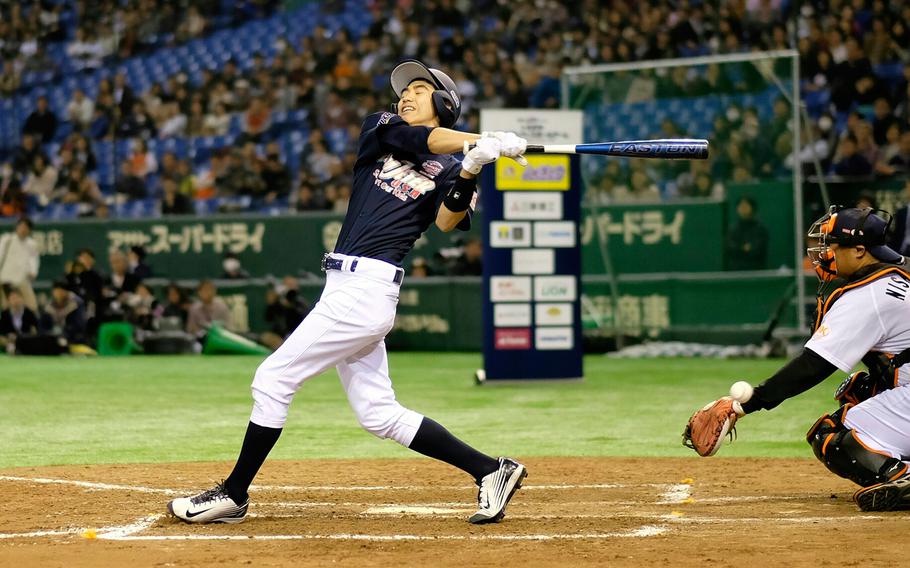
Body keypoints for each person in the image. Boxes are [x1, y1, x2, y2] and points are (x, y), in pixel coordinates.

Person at [168, 60, 529, 526]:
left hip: (368, 290)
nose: (407, 95)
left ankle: (234, 495)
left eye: (420, 89)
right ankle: (490, 470)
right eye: (405, 89)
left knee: (273, 380)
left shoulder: (452, 163)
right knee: (379, 414)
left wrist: (472, 169)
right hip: (347, 288)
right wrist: (480, 141)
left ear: (444, 103)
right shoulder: (382, 128)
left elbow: (447, 221)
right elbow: (425, 141)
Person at [684, 207, 910, 511]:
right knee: (860, 388)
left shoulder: (869, 294)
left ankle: (900, 476)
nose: (826, 253)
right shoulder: (902, 271)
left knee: (830, 435)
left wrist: (746, 404)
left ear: (859, 250)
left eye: (833, 245)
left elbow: (813, 366)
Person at [0, 217, 40, 312]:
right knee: (7, 310)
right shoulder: (7, 239)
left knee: (32, 308)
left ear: (29, 230)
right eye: (21, 226)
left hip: (22, 280)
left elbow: (34, 260)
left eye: (26, 227)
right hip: (6, 280)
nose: (23, 229)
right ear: (17, 227)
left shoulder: (32, 244)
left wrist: (33, 271)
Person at [725, 195, 769, 270]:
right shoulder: (733, 229)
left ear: (752, 208)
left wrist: (741, 249)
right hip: (735, 270)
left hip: (756, 269)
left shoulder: (760, 228)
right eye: (740, 206)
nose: (743, 209)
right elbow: (730, 248)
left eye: (746, 206)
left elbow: (757, 249)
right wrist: (743, 248)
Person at [0, 287, 40, 353]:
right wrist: (8, 336)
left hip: (26, 340)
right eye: (13, 298)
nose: (15, 301)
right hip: (9, 341)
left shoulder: (29, 313)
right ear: (8, 300)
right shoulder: (4, 314)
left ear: (22, 299)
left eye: (17, 297)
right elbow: (2, 330)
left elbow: (37, 328)